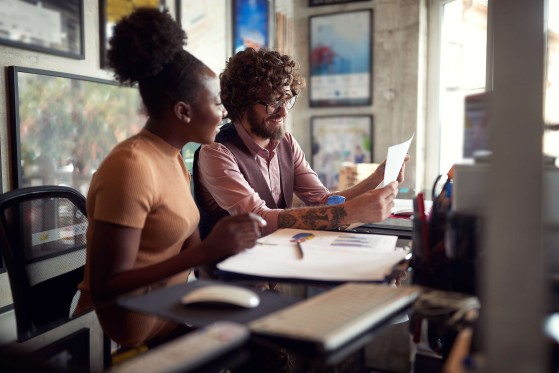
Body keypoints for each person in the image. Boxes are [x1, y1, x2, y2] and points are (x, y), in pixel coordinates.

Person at [73, 8, 265, 349]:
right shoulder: (131, 166)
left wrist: (240, 249)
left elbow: (192, 247)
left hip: (169, 316)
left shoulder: (175, 156)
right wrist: (208, 249)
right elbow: (108, 284)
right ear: (183, 111)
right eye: (217, 103)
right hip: (119, 341)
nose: (224, 113)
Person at [193, 47, 408, 240]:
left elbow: (323, 201)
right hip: (228, 273)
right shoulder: (215, 151)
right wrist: (348, 212)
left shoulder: (285, 141)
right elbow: (258, 218)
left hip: (276, 263)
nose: (284, 111)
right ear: (241, 103)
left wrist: (378, 176)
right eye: (273, 102)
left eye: (286, 99)